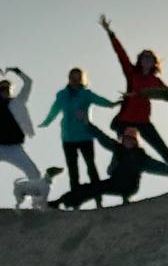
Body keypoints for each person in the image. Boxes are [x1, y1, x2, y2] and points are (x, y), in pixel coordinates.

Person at [0, 66, 58, 206]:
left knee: (33, 172)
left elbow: (28, 83)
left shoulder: (17, 102)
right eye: (2, 88)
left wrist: (18, 72)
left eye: (7, 88)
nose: (5, 91)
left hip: (14, 148)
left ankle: (37, 202)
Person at [50, 120, 168, 208]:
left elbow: (159, 167)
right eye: (126, 140)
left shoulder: (140, 156)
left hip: (129, 186)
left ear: (135, 142)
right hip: (115, 182)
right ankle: (61, 202)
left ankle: (125, 197)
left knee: (129, 168)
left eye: (131, 140)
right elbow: (103, 138)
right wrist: (88, 124)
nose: (128, 142)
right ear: (123, 140)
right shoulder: (118, 148)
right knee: (91, 188)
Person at [99, 16, 168, 161]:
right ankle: (118, 169)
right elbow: (121, 54)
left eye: (150, 58)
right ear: (140, 60)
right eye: (144, 57)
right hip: (126, 119)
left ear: (154, 62)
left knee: (162, 149)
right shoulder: (132, 74)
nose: (147, 59)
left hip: (143, 119)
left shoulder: (155, 80)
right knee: (125, 148)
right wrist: (110, 32)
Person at [40, 67, 116, 198]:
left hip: (85, 136)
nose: (75, 81)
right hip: (68, 138)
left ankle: (98, 197)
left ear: (82, 80)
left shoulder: (86, 94)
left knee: (91, 166)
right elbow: (55, 109)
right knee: (73, 169)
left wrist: (112, 104)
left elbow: (100, 100)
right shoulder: (61, 95)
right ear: (69, 79)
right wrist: (46, 122)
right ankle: (75, 198)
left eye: (77, 78)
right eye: (72, 78)